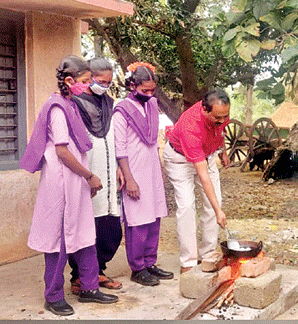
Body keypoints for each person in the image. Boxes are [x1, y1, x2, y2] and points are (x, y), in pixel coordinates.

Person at [20, 56, 118, 316]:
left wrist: (86, 177)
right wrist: (89, 176)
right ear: (69, 81)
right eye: (85, 82)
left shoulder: (70, 104)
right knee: (57, 241)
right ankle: (53, 296)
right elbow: (62, 152)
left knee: (85, 234)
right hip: (62, 182)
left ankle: (88, 287)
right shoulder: (56, 108)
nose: (87, 87)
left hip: (76, 180)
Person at [68, 57, 123, 294]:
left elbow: (113, 137)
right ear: (90, 78)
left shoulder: (109, 103)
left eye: (109, 83)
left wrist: (120, 165)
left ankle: (99, 271)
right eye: (101, 81)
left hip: (110, 173)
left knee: (111, 228)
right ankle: (79, 278)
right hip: (89, 171)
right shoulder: (75, 103)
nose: (105, 86)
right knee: (87, 227)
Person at [114, 62, 172, 286]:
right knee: (138, 221)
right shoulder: (122, 111)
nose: (149, 94)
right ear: (132, 86)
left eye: (152, 90)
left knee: (154, 218)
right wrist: (129, 179)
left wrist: (159, 168)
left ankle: (150, 263)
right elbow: (120, 148)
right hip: (134, 171)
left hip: (151, 169)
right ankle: (137, 268)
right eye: (144, 90)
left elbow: (153, 141)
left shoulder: (152, 105)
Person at [163, 89, 231, 274]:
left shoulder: (221, 113)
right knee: (186, 206)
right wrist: (219, 212)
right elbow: (203, 176)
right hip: (179, 160)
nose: (222, 119)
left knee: (213, 203)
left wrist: (222, 151)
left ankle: (208, 255)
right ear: (204, 110)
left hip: (207, 156)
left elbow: (221, 130)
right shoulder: (190, 127)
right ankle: (188, 262)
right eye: (218, 116)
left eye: (225, 115)